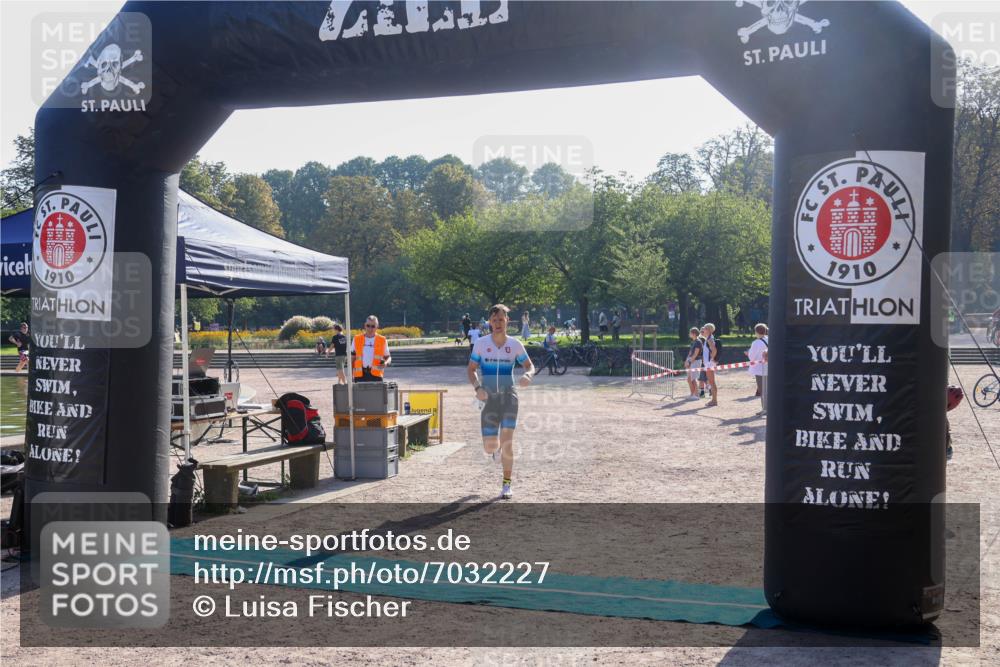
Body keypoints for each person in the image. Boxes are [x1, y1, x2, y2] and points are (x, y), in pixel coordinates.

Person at [467, 304, 535, 500]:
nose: (497, 323)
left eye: (501, 319)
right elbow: (471, 369)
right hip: (487, 398)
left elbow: (529, 366)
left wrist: (528, 376)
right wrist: (478, 388)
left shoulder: (514, 345)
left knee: (507, 441)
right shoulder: (480, 344)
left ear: (507, 321)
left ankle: (506, 485)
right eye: (494, 320)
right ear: (490, 322)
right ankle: (495, 451)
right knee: (489, 447)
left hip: (509, 397)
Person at [352, 315, 392, 382]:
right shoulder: (356, 339)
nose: (370, 328)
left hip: (376, 376)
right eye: (368, 325)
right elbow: (352, 359)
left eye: (373, 326)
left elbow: (388, 357)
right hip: (359, 376)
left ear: (377, 327)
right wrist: (350, 376)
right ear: (365, 325)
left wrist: (386, 363)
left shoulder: (382, 340)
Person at [747, 323, 769, 413]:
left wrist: (747, 353)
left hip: (760, 369)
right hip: (770, 367)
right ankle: (768, 408)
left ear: (756, 332)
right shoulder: (769, 339)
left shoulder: (756, 342)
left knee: (762, 389)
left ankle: (765, 408)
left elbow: (751, 357)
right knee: (769, 389)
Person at [701, 323, 719, 406]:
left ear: (708, 330)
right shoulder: (708, 338)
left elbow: (714, 350)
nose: (702, 330)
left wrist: (711, 360)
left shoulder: (709, 339)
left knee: (712, 382)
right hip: (709, 363)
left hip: (709, 364)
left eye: (704, 328)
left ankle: (714, 401)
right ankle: (714, 400)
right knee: (711, 382)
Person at [683, 327, 702, 399]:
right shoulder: (693, 342)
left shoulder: (698, 342)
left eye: (690, 333)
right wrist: (686, 361)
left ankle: (696, 395)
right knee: (689, 379)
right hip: (690, 360)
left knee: (693, 378)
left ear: (694, 334)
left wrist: (690, 362)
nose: (689, 334)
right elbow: (690, 352)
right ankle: (692, 394)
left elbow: (696, 354)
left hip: (695, 361)